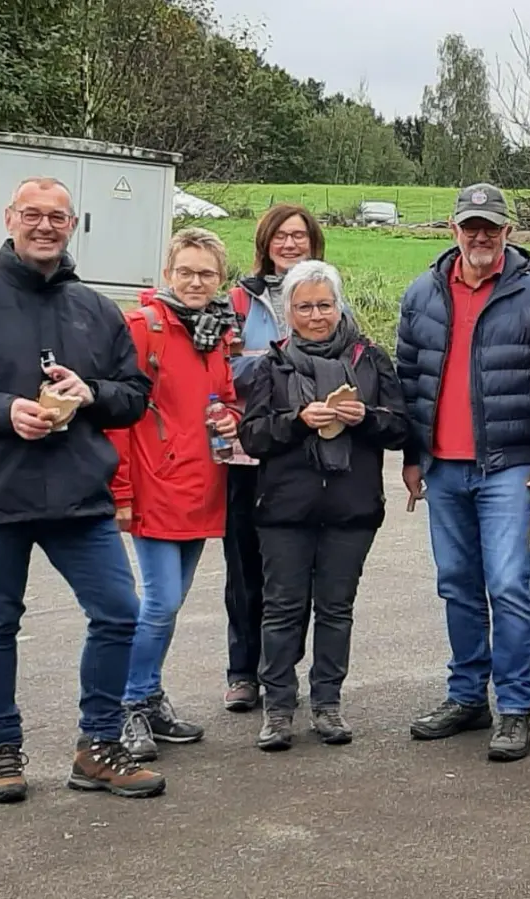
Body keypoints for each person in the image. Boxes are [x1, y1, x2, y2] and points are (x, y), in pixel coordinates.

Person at [0, 177, 164, 802]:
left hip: (78, 490)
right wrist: (2, 411)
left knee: (119, 612)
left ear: (73, 225)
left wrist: (90, 391)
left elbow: (133, 396)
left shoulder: (96, 309)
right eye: (33, 214)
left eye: (58, 216)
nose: (45, 226)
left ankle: (97, 746)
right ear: (9, 218)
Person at [399, 184, 530, 762]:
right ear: (454, 228)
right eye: (471, 226)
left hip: (509, 465)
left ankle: (516, 707)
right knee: (457, 585)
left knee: (507, 584)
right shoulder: (422, 292)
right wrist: (410, 456)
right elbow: (408, 381)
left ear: (507, 233)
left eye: (491, 228)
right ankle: (467, 697)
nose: (481, 237)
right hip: (443, 467)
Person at [239, 261, 410, 750]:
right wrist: (297, 420)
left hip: (350, 508)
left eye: (324, 305)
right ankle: (277, 709)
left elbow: (400, 428)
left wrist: (366, 417)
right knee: (282, 610)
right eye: (304, 307)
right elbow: (252, 437)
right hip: (284, 510)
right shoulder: (271, 365)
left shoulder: (370, 359)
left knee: (336, 609)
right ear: (287, 312)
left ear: (339, 307)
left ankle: (328, 705)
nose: (315, 315)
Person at [108, 227, 243, 761]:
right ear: (167, 274)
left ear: (220, 279)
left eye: (205, 273)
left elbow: (227, 398)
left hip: (203, 484)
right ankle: (126, 705)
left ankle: (148, 695)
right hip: (153, 486)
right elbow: (117, 416)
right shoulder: (143, 328)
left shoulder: (216, 332)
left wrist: (229, 419)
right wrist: (120, 489)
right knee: (159, 602)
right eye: (185, 271)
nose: (194, 281)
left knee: (171, 602)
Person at [221, 205, 326, 714]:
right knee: (244, 567)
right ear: (265, 242)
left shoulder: (322, 294)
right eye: (281, 236)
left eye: (299, 237)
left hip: (303, 453)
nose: (290, 245)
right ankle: (243, 671)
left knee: (294, 572)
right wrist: (274, 366)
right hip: (245, 450)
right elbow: (221, 368)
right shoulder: (239, 300)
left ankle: (281, 671)